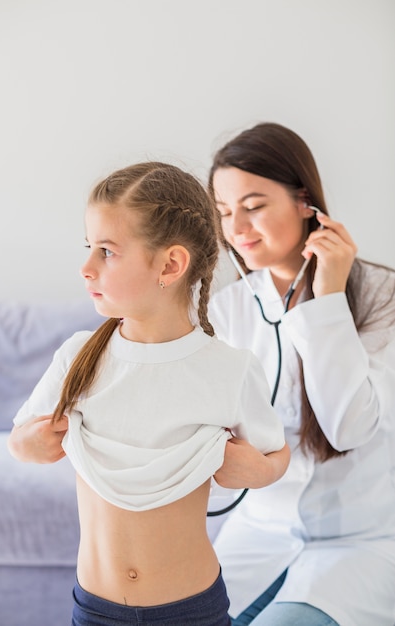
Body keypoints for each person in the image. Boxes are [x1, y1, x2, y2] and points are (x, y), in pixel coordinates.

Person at [7, 161, 290, 626]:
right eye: (89, 248)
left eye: (107, 251)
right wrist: (28, 444)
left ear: (171, 265)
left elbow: (278, 455)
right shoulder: (80, 357)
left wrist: (258, 470)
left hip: (191, 611)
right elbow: (21, 439)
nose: (86, 267)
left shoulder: (227, 369)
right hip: (96, 609)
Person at [206, 121, 395, 626]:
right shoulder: (228, 311)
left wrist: (328, 299)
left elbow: (348, 428)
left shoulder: (383, 295)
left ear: (305, 201)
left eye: (254, 205)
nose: (237, 229)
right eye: (225, 212)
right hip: (259, 532)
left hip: (359, 543)